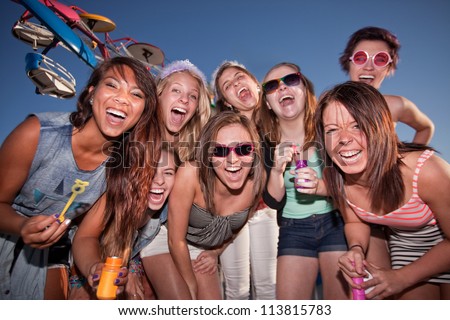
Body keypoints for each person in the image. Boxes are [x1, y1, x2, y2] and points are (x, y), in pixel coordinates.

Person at [0, 56, 160, 299]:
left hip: (49, 252)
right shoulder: (37, 133)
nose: (122, 98)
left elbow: (86, 236)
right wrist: (22, 225)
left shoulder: (121, 168)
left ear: (143, 112)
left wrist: (95, 268)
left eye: (136, 95)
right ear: (91, 93)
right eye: (112, 85)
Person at [315, 81, 450, 299]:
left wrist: (402, 278)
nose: (344, 138)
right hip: (406, 246)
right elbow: (354, 221)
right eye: (332, 130)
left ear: (380, 126)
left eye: (357, 124)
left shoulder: (426, 170)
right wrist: (356, 248)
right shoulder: (336, 177)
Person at [259, 62, 349, 299]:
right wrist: (277, 170)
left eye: (290, 79)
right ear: (268, 104)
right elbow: (273, 201)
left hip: (336, 222)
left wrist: (321, 187)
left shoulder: (327, 130)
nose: (281, 88)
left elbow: (351, 183)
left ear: (305, 89)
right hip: (292, 228)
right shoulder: (265, 143)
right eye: (271, 86)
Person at [128, 60, 212, 299]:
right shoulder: (133, 138)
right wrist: (130, 262)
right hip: (140, 238)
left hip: (181, 236)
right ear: (159, 94)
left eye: (192, 96)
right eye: (176, 90)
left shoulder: (193, 151)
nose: (184, 100)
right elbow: (114, 211)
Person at [168, 111, 265, 299]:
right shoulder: (190, 174)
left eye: (243, 149)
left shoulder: (257, 182)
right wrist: (191, 286)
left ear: (254, 151)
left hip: (203, 251)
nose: (233, 160)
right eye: (220, 151)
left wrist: (216, 251)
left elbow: (241, 222)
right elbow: (175, 240)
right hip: (171, 241)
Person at [72, 144, 177, 300]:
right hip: (79, 261)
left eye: (168, 173)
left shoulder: (168, 209)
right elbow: (84, 237)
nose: (159, 180)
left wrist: (132, 267)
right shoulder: (113, 197)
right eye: (150, 171)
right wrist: (88, 272)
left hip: (122, 262)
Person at [212, 61, 278, 299]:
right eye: (227, 85)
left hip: (268, 213)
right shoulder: (223, 131)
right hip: (232, 213)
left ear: (255, 83)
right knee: (236, 290)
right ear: (227, 102)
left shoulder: (279, 117)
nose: (236, 83)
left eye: (239, 77)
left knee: (268, 287)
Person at [339, 26, 434, 145]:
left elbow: (426, 128)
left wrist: (409, 160)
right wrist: (308, 163)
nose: (368, 67)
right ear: (349, 62)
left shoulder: (395, 105)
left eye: (380, 60)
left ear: (389, 68)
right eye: (361, 58)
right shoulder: (328, 102)